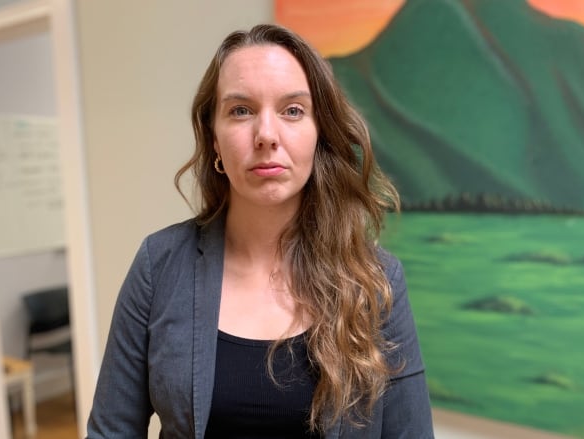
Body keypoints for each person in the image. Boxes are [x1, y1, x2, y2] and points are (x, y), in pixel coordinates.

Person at [86, 23, 434, 438]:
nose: (266, 135)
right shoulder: (158, 266)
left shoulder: (375, 281)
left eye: (292, 111)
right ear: (214, 138)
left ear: (318, 133)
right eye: (240, 110)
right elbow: (111, 431)